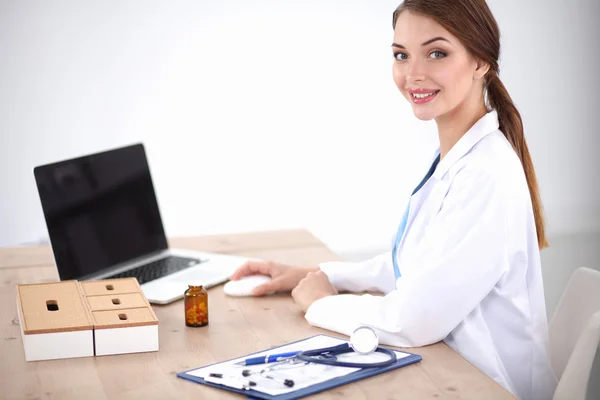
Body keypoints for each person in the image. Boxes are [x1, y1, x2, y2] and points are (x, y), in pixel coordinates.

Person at [230, 0, 558, 398]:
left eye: (437, 53)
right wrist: (323, 274)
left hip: (487, 386)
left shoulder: (486, 175)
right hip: (447, 371)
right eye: (401, 55)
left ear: (481, 62)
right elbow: (417, 265)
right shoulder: (458, 159)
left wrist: (320, 303)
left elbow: (415, 320)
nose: (413, 74)